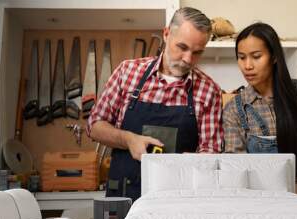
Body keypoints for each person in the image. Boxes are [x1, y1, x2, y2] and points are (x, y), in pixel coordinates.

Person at [87, 7, 223, 200]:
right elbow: (94, 126)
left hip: (181, 201)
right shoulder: (128, 72)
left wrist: (193, 161)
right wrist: (129, 139)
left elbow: (212, 152)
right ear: (166, 34)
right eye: (182, 47)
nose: (188, 59)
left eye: (197, 52)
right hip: (125, 198)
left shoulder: (209, 90)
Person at [223, 23, 297, 195]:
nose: (247, 66)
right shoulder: (234, 109)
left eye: (256, 56)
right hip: (256, 201)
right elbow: (236, 168)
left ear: (274, 57)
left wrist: (293, 195)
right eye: (241, 57)